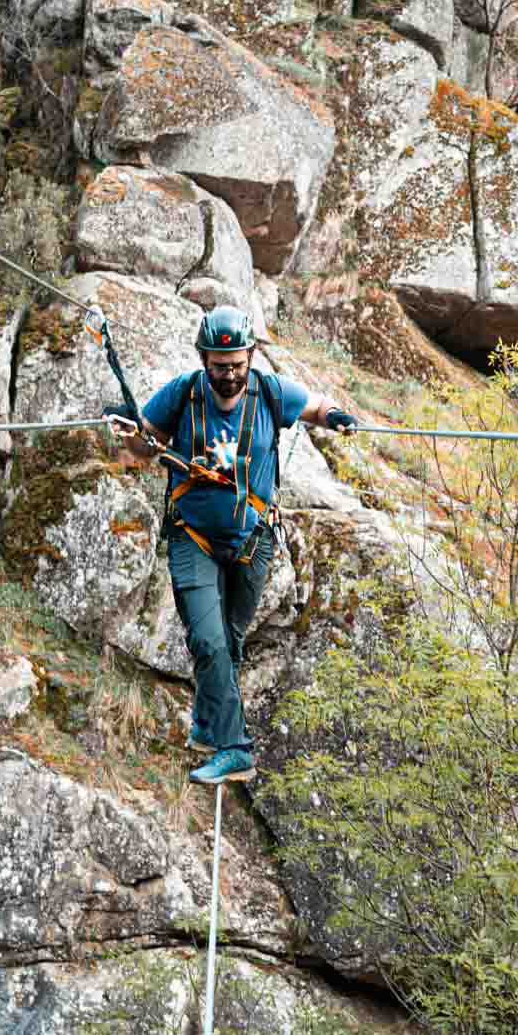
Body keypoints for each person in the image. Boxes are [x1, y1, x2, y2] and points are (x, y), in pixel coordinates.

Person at [109, 306, 359, 784]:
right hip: (193, 537)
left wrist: (337, 417)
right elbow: (143, 449)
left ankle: (207, 725)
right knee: (208, 640)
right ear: (204, 360)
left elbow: (315, 406)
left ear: (251, 357)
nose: (229, 375)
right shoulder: (182, 394)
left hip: (253, 540)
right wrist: (129, 429)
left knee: (230, 642)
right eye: (220, 366)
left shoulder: (270, 392)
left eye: (237, 365)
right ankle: (235, 748)